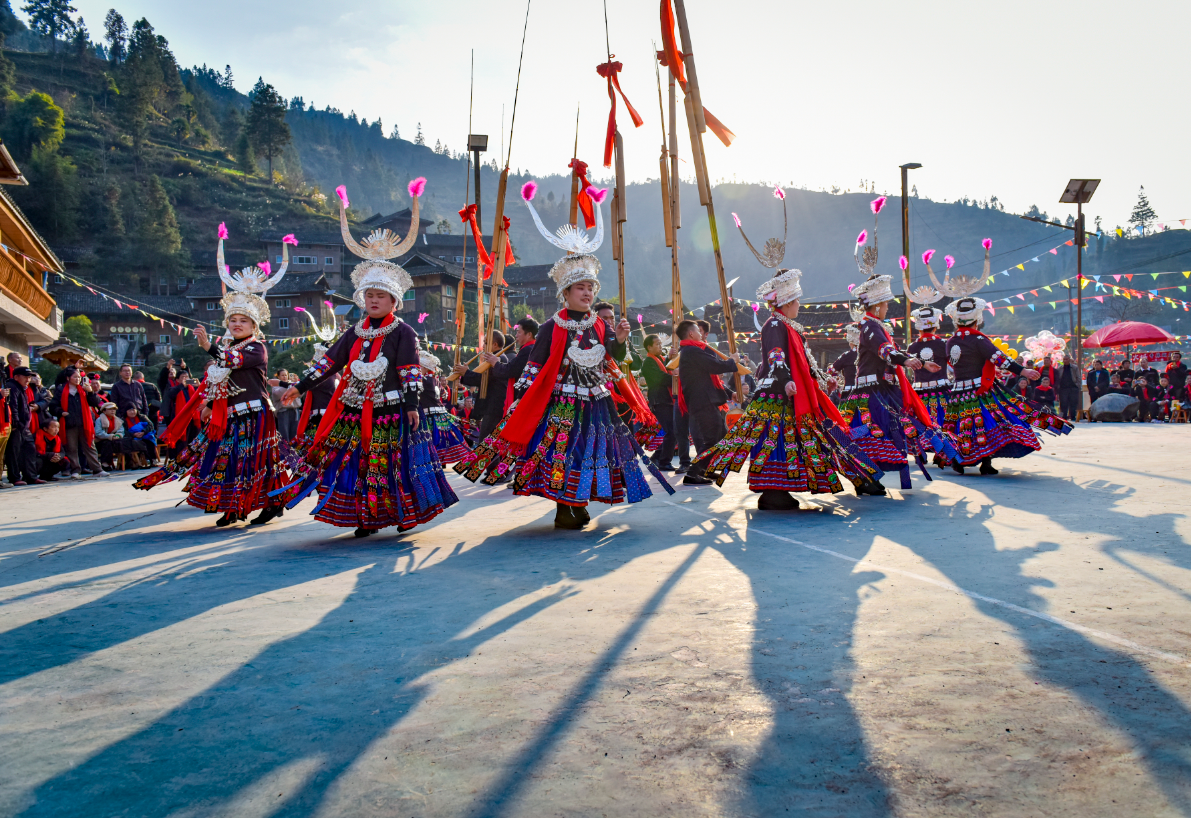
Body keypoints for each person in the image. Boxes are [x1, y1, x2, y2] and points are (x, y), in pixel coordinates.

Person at [455, 179, 672, 529]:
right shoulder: (551, 326)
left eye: (590, 288)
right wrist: (525, 396)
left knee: (594, 451)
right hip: (561, 402)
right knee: (562, 453)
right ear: (565, 292)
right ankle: (563, 505)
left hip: (597, 402)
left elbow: (610, 358)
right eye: (580, 288)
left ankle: (580, 500)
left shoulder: (598, 323)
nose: (586, 294)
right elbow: (535, 363)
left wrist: (618, 339)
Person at [279, 179, 456, 538]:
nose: (374, 300)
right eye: (369, 295)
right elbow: (329, 362)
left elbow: (409, 372)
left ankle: (404, 512)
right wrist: (299, 386)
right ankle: (365, 516)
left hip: (392, 409)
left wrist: (411, 405)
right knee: (355, 462)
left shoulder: (402, 332)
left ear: (394, 302)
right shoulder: (354, 332)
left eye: (381, 296)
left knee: (393, 464)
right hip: (354, 409)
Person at [697, 206, 884, 508]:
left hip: (791, 391)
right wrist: (786, 380)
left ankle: (854, 479)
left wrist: (820, 379)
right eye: (796, 300)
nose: (799, 304)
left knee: (805, 438)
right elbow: (775, 356)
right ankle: (774, 491)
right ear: (786, 301)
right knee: (780, 440)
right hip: (779, 393)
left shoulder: (786, 324)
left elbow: (800, 359)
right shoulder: (775, 324)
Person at [136, 223, 294, 527]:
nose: (236, 324)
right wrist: (208, 403)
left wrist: (209, 346)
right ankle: (236, 507)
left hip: (256, 413)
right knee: (231, 461)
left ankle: (265, 504)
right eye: (232, 319)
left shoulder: (256, 349)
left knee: (258, 462)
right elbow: (217, 379)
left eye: (243, 320)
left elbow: (232, 362)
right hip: (231, 414)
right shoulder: (228, 348)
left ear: (254, 325)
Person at [838, 203, 954, 489]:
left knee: (888, 432)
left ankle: (868, 478)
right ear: (876, 304)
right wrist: (907, 361)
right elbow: (884, 351)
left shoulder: (875, 325)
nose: (888, 307)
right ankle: (865, 478)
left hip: (882, 387)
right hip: (873, 390)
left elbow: (889, 353)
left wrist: (917, 362)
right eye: (886, 303)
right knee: (875, 433)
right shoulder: (869, 326)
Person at [942, 277, 1072, 475]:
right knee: (988, 422)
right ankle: (985, 463)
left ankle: (959, 460)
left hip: (959, 391)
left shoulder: (951, 341)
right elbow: (999, 358)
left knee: (961, 423)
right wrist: (1023, 371)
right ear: (977, 319)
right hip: (980, 389)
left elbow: (952, 363)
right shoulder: (978, 339)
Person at [674, 319, 740, 485]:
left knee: (719, 436)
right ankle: (693, 472)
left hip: (705, 400)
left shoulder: (692, 350)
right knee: (712, 439)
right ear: (691, 333)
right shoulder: (691, 351)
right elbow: (715, 366)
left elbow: (709, 380)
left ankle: (705, 469)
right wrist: (732, 361)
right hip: (702, 402)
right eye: (698, 330)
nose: (701, 334)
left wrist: (729, 393)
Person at [906, 300, 951, 458]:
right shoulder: (944, 344)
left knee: (920, 420)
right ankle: (946, 451)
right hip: (942, 390)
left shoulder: (912, 348)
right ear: (935, 325)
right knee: (944, 420)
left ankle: (920, 451)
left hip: (919, 392)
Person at [452, 330, 509, 443]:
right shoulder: (493, 359)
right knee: (486, 441)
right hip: (489, 408)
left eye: (486, 343)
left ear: (495, 345)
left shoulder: (499, 359)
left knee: (487, 443)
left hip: (494, 408)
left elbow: (483, 379)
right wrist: (465, 374)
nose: (483, 346)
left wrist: (466, 373)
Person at [417, 350, 471, 464]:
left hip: (429, 415)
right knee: (442, 438)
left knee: (431, 438)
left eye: (420, 367)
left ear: (426, 368)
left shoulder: (423, 380)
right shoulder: (435, 380)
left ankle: (432, 460)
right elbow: (444, 393)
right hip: (439, 414)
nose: (418, 370)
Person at [51, 368, 106, 478]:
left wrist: (90, 392)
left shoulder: (84, 389)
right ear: (68, 378)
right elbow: (52, 406)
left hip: (85, 422)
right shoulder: (61, 390)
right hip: (69, 423)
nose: (77, 379)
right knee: (71, 448)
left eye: (79, 377)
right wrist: (61, 412)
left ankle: (97, 469)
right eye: (75, 377)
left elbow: (95, 403)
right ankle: (75, 470)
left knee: (90, 446)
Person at [640, 333, 676, 471]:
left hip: (666, 400)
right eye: (657, 344)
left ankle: (657, 458)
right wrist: (676, 378)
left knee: (671, 431)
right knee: (670, 432)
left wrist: (670, 358)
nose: (661, 346)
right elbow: (662, 377)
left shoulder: (659, 359)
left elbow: (666, 367)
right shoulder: (648, 362)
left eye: (661, 343)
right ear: (649, 347)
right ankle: (664, 461)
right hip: (659, 401)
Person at [5, 366, 41, 485]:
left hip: (24, 427)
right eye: (25, 376)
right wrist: (16, 423)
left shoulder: (22, 388)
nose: (28, 379)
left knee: (29, 450)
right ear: (16, 377)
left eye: (29, 377)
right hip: (17, 426)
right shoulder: (12, 387)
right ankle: (15, 478)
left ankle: (31, 476)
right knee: (14, 453)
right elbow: (13, 407)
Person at [162, 371, 201, 457]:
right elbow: (170, 395)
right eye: (183, 377)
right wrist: (181, 385)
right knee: (181, 442)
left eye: (187, 377)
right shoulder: (174, 389)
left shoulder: (193, 388)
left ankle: (191, 458)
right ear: (178, 380)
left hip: (193, 418)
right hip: (180, 419)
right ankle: (180, 458)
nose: (186, 379)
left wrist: (199, 386)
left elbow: (204, 397)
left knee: (193, 439)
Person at [94, 402, 123, 469]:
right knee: (107, 443)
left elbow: (121, 430)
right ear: (104, 411)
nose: (112, 411)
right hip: (101, 440)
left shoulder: (118, 420)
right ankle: (105, 463)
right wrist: (110, 436)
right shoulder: (99, 420)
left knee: (123, 442)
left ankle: (125, 462)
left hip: (114, 440)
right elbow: (98, 432)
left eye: (114, 409)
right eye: (110, 409)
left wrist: (118, 435)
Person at [1056, 353, 1081, 421]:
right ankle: (1064, 416)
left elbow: (1078, 377)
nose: (1065, 360)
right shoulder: (1060, 368)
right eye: (1064, 359)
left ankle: (1072, 416)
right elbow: (1058, 379)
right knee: (1063, 403)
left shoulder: (1074, 368)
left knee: (1073, 403)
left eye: (1067, 359)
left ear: (1069, 360)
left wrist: (1077, 385)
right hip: (1063, 388)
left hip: (1073, 387)